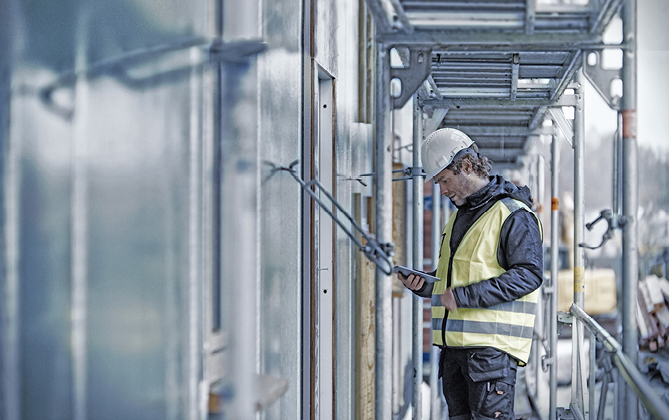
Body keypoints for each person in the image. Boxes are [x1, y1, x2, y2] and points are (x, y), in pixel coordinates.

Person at [398, 128, 543, 420]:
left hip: (490, 357)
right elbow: (459, 276)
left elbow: (529, 275)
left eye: (444, 180)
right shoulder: (460, 216)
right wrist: (426, 285)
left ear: (465, 166)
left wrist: (464, 296)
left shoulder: (514, 215)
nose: (442, 190)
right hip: (455, 354)